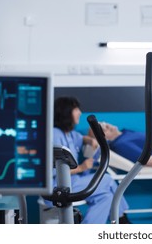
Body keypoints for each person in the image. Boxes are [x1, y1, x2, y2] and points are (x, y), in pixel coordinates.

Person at [52, 96, 130, 224]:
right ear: (66, 112)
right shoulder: (55, 135)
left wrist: (91, 140)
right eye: (76, 109)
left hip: (74, 182)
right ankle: (122, 220)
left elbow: (80, 138)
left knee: (106, 197)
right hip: (59, 187)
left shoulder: (69, 133)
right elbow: (52, 172)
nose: (80, 113)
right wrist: (82, 167)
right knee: (108, 180)